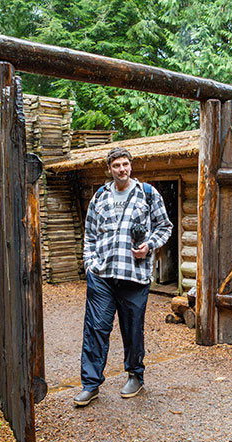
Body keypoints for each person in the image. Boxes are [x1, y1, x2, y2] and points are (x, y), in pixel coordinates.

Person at [74, 147, 173, 406]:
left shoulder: (148, 194)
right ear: (109, 169)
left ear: (131, 166)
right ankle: (90, 384)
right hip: (102, 274)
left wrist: (149, 245)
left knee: (132, 330)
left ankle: (135, 376)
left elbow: (165, 226)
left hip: (134, 275)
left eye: (126, 164)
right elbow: (90, 234)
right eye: (117, 165)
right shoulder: (100, 196)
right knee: (95, 329)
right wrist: (89, 264)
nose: (122, 169)